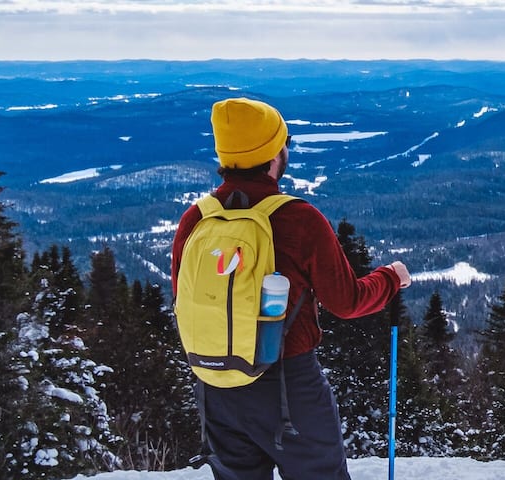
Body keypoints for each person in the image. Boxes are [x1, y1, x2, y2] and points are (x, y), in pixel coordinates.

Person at [171, 97, 410, 479]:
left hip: (215, 385)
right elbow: (347, 301)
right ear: (274, 154)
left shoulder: (195, 219)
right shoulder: (298, 219)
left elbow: (185, 298)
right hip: (287, 385)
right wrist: (390, 279)